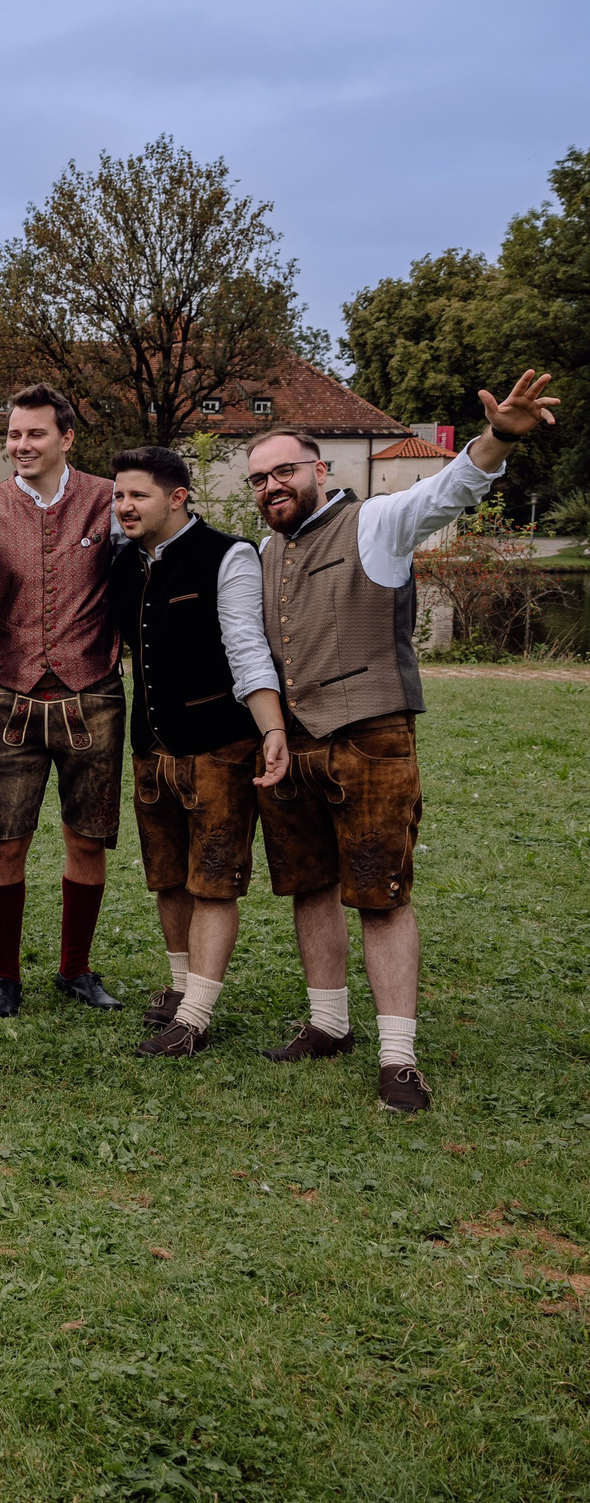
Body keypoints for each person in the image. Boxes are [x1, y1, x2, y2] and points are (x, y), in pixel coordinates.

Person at [246, 371, 558, 1111]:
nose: (271, 486)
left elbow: (450, 490)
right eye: (259, 479)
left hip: (371, 739)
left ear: (321, 470)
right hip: (295, 742)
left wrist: (499, 437)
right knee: (310, 885)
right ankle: (328, 1024)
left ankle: (398, 1058)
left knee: (380, 894)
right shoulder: (265, 550)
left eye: (285, 471)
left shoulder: (378, 521)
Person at [104, 447, 290, 1058]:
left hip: (219, 744)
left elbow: (246, 646)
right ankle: (182, 987)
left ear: (178, 497)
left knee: (213, 880)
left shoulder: (228, 555)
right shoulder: (125, 560)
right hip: (151, 744)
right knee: (168, 876)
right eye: (119, 495)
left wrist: (271, 729)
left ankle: (196, 1017)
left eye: (138, 495)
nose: (124, 506)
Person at [0, 383, 126, 1016]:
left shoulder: (109, 500)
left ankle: (75, 969)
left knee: (88, 839)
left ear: (66, 438)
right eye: (14, 434)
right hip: (11, 697)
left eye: (35, 434)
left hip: (94, 693)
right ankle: (5, 976)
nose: (21, 445)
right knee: (4, 842)